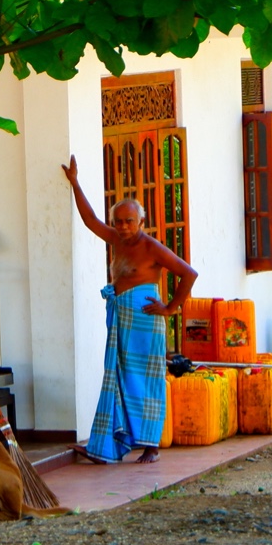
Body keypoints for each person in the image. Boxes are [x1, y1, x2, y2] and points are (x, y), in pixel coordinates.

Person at [62, 156, 197, 464]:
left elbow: (188, 273)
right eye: (119, 221)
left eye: (129, 221)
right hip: (120, 318)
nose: (122, 227)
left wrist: (171, 308)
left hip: (145, 322)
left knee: (145, 380)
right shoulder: (116, 239)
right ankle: (109, 444)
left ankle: (151, 447)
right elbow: (90, 220)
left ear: (141, 223)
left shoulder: (151, 247)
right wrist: (75, 183)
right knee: (117, 376)